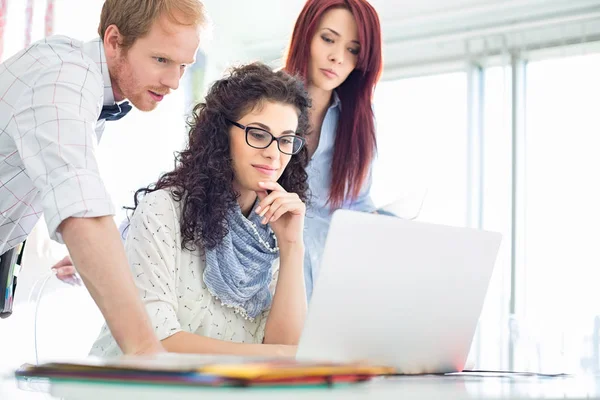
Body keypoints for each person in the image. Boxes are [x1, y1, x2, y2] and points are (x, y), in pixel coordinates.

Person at [0, 0, 206, 354]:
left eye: (184, 65)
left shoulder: (85, 83)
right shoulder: (64, 76)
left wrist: (97, 256)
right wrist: (147, 353)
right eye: (161, 60)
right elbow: (80, 205)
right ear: (114, 40)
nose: (173, 81)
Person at [90, 63, 311, 358]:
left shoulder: (272, 233)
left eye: (285, 140)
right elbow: (155, 342)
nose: (274, 152)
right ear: (222, 134)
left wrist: (292, 245)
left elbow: (286, 349)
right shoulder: (163, 210)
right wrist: (275, 356)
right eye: (258, 134)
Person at [283, 0, 383, 299]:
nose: (337, 57)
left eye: (353, 50)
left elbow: (359, 203)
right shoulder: (263, 100)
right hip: (264, 275)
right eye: (328, 39)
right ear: (306, 35)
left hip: (331, 283)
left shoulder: (359, 122)